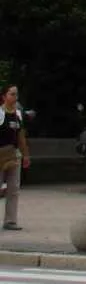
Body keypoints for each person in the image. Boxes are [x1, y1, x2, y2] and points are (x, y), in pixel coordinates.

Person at [0, 85, 30, 231]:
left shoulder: (18, 114)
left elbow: (21, 135)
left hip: (14, 154)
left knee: (13, 188)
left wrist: (26, 155)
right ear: (4, 96)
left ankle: (10, 220)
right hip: (0, 154)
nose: (14, 97)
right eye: (11, 94)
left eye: (16, 94)